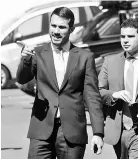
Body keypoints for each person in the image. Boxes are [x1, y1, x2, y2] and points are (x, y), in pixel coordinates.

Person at [17, 7, 104, 159]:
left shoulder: (85, 57)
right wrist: (25, 60)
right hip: (41, 128)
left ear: (71, 29)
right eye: (53, 26)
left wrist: (98, 133)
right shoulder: (37, 53)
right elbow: (22, 79)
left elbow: (92, 97)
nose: (56, 31)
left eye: (62, 27)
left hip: (72, 130)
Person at [98, 18, 138, 159]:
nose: (125, 40)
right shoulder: (110, 62)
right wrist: (114, 94)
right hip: (118, 130)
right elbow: (97, 91)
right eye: (122, 36)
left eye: (130, 36)